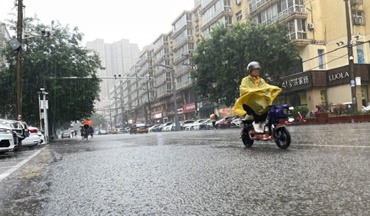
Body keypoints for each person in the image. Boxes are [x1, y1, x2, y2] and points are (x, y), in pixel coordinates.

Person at [233, 61, 282, 133]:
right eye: (255, 69)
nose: (257, 71)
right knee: (254, 110)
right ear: (250, 71)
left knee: (267, 108)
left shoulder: (261, 80)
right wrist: (250, 90)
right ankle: (256, 124)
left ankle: (262, 124)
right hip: (248, 102)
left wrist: (274, 88)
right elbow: (243, 88)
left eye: (258, 69)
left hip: (259, 102)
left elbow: (266, 87)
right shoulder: (245, 80)